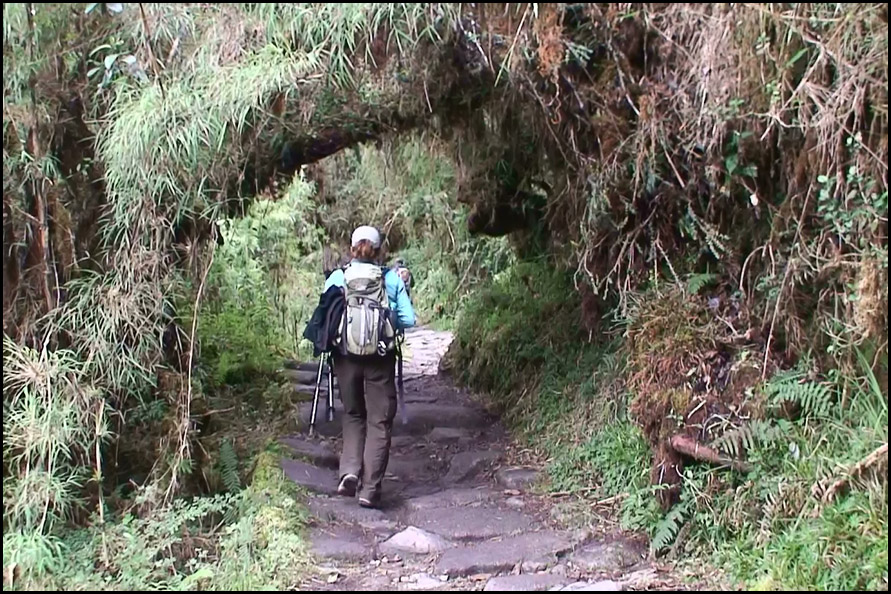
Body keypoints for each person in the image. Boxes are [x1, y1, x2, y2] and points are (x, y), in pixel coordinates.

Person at [322, 225, 416, 508]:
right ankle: (370, 489)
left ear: (352, 249)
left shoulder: (338, 276)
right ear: (378, 251)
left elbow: (326, 314)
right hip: (380, 358)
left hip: (345, 357)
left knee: (353, 414)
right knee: (379, 420)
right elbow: (408, 319)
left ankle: (350, 471)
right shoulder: (390, 279)